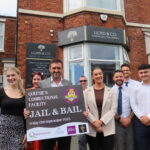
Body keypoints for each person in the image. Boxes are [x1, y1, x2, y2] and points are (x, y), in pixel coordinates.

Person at [39, 59, 72, 150]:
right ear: (50, 69)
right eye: (54, 68)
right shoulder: (42, 84)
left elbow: (73, 102)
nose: (56, 70)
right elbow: (38, 103)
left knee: (65, 148)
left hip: (65, 124)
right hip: (48, 125)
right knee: (46, 147)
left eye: (58, 68)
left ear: (62, 69)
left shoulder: (69, 83)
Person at [83, 67, 116, 150]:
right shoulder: (86, 92)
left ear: (103, 75)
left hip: (108, 128)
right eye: (96, 74)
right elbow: (85, 109)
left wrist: (101, 122)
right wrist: (94, 123)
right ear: (92, 77)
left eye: (100, 73)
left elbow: (113, 109)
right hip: (92, 128)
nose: (98, 76)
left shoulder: (111, 91)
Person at [0, 67, 25, 150]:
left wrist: (27, 132)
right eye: (8, 76)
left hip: (19, 131)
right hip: (2, 130)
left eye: (13, 75)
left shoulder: (25, 94)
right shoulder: (1, 91)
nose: (10, 78)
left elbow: (28, 116)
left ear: (18, 76)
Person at [112, 70, 134, 150]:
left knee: (130, 144)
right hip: (116, 122)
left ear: (124, 77)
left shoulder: (130, 90)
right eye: (116, 77)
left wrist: (129, 118)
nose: (119, 78)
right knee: (119, 145)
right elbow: (109, 109)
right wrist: (120, 119)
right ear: (113, 78)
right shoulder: (110, 91)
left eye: (121, 76)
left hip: (129, 121)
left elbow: (134, 106)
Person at [130, 64, 150, 150]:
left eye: (146, 72)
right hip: (140, 123)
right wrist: (142, 117)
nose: (143, 74)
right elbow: (133, 104)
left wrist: (148, 117)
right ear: (138, 74)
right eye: (141, 73)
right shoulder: (135, 87)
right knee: (141, 147)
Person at [26, 72, 44, 150]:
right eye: (34, 79)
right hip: (32, 125)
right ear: (32, 80)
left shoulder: (47, 92)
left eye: (38, 79)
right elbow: (24, 107)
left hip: (45, 124)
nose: (36, 81)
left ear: (42, 80)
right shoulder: (27, 92)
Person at [78, 76, 88, 150]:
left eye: (84, 80)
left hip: (92, 121)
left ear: (87, 82)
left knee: (94, 143)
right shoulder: (75, 93)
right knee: (81, 142)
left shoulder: (92, 91)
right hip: (81, 122)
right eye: (81, 81)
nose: (83, 82)